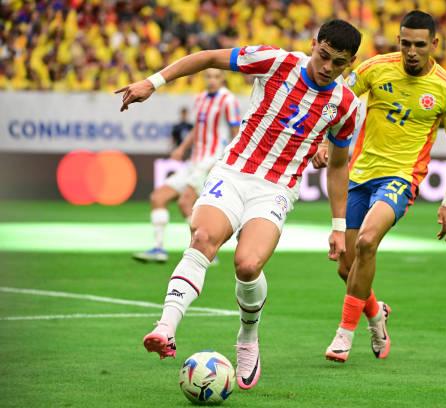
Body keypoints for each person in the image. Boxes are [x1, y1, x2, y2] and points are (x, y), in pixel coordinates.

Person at [116, 19, 362, 389]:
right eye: (323, 55)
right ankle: (165, 327)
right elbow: (207, 58)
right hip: (232, 172)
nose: (327, 67)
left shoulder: (345, 104)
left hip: (275, 189)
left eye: (338, 63)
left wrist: (339, 227)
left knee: (247, 265)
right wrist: (153, 82)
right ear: (313, 43)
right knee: (202, 237)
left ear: (351, 63)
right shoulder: (275, 62)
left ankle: (248, 335)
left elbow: (340, 166)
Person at [317, 10, 446, 364]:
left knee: (368, 241)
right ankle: (375, 314)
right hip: (359, 174)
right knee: (346, 266)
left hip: (401, 177)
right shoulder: (376, 68)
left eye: (419, 45)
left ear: (434, 44)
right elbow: (335, 99)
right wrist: (324, 142)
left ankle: (344, 335)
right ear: (398, 41)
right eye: (405, 43)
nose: (411, 52)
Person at [132, 69, 241, 263]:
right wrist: (181, 148)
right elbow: (197, 130)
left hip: (211, 161)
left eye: (216, 76)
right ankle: (158, 249)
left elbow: (236, 133)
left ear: (222, 79)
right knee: (158, 197)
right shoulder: (199, 99)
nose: (212, 80)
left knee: (185, 202)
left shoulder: (228, 100)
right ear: (204, 78)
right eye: (208, 76)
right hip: (194, 161)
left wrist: (230, 160)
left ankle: (204, 248)